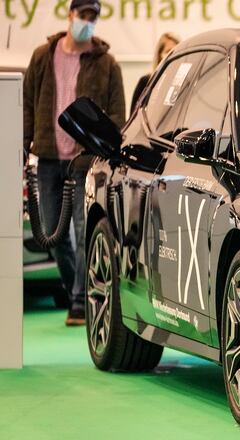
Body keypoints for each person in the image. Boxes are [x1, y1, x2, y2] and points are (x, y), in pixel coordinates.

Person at [23, 0, 125, 326]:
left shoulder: (107, 64)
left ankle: (80, 301)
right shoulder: (42, 56)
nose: (88, 22)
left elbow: (117, 116)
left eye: (93, 17)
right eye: (83, 16)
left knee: (84, 232)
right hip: (49, 157)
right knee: (51, 235)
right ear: (70, 15)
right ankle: (74, 290)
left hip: (86, 162)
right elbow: (27, 102)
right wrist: (24, 145)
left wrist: (106, 147)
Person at [130, 33, 180, 114]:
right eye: (168, 51)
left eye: (176, 51)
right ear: (159, 55)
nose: (173, 55)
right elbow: (133, 117)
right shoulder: (146, 82)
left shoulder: (182, 83)